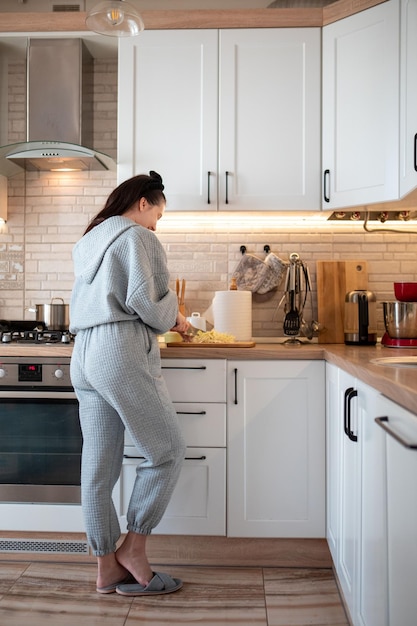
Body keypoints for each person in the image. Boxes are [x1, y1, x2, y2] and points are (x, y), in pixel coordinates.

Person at [69, 171, 188, 597]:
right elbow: (149, 304)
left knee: (98, 468)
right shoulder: (138, 237)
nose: (157, 224)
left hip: (83, 352)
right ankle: (134, 548)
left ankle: (106, 565)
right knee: (168, 451)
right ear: (143, 203)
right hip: (118, 350)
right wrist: (176, 315)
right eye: (158, 214)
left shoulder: (90, 240)